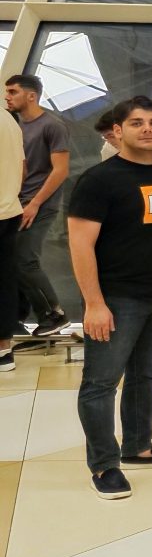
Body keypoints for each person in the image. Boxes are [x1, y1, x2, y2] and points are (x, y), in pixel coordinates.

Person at [68, 97, 152, 498]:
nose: (147, 129)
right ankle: (104, 465)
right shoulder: (98, 180)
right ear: (118, 131)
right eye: (137, 123)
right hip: (116, 299)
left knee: (146, 376)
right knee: (101, 383)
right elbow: (80, 245)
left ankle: (139, 447)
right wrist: (94, 303)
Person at [4, 73, 70, 337]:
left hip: (40, 204)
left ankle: (54, 314)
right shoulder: (15, 126)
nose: (7, 97)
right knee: (11, 260)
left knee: (25, 259)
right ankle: (17, 318)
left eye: (13, 92)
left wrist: (35, 203)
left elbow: (61, 170)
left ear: (31, 95)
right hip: (16, 204)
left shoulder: (52, 126)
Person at [0, 104, 19, 372]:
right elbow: (22, 167)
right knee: (4, 279)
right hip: (9, 208)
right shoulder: (8, 119)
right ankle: (4, 347)